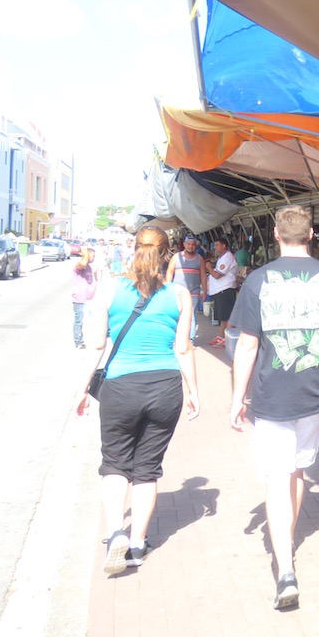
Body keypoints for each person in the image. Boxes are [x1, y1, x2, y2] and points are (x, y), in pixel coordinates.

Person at [229, 205, 319, 610]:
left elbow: (246, 346)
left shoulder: (258, 281)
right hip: (313, 393)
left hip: (271, 395)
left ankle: (285, 569)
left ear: (276, 234)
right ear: (312, 236)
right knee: (296, 469)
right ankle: (289, 539)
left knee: (276, 476)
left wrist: (236, 399)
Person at [74, 226, 200, 575]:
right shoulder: (179, 294)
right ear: (167, 253)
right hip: (164, 389)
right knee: (147, 469)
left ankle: (116, 531)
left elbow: (97, 344)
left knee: (115, 464)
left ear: (133, 249)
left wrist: (83, 388)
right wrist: (194, 392)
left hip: (119, 389)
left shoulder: (111, 288)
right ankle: (137, 544)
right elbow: (183, 347)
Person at [165, 235, 208, 343]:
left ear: (196, 246)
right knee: (177, 314)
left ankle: (190, 340)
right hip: (177, 291)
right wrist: (167, 288)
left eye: (193, 244)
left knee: (192, 316)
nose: (190, 246)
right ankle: (177, 338)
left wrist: (205, 291)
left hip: (194, 292)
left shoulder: (200, 259)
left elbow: (203, 276)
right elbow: (170, 272)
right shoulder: (176, 257)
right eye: (188, 244)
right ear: (184, 245)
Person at [206, 238, 238, 347]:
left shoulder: (227, 257)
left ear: (224, 245)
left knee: (227, 317)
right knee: (223, 317)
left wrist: (209, 267)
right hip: (220, 290)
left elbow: (217, 275)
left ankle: (227, 340)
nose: (215, 247)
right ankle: (221, 336)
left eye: (217, 245)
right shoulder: (222, 257)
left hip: (226, 290)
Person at [71, 247, 98, 348]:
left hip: (89, 299)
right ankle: (78, 342)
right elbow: (82, 263)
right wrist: (85, 253)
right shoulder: (79, 266)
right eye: (92, 255)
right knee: (79, 321)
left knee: (89, 321)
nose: (94, 258)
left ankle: (88, 340)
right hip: (80, 299)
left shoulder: (89, 267)